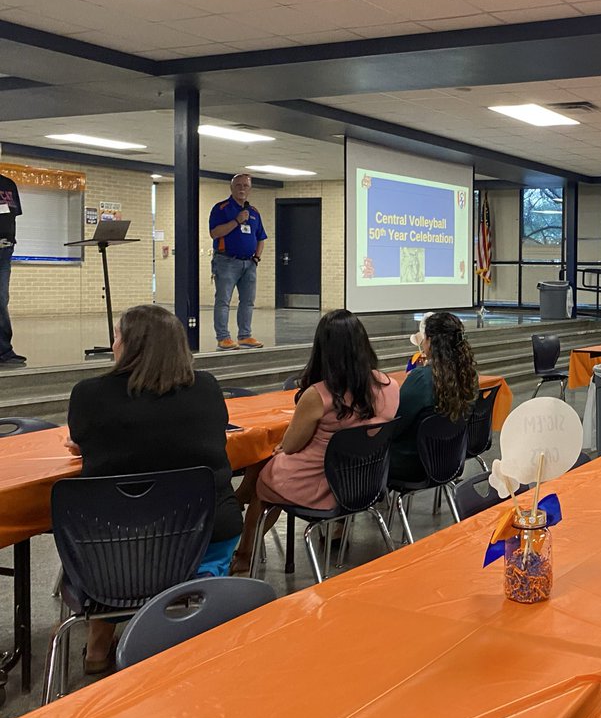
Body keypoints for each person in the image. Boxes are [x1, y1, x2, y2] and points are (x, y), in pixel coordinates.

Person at [64, 304, 242, 673]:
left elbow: (90, 441)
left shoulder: (89, 396)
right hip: (204, 538)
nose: (112, 344)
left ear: (128, 344)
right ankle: (192, 626)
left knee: (117, 543)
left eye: (116, 336)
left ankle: (98, 647)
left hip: (117, 552)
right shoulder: (207, 389)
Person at [232, 309, 400, 573]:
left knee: (265, 475)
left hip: (319, 485)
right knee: (267, 466)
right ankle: (240, 502)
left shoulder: (318, 396)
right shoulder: (390, 386)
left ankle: (244, 553)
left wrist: (281, 449)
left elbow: (291, 446)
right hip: (365, 482)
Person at [388, 312, 478, 486]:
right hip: (450, 458)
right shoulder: (469, 378)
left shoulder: (421, 379)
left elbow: (396, 424)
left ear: (430, 342)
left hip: (412, 465)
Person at [209, 173, 267, 351]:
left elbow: (261, 238)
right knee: (223, 300)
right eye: (238, 185)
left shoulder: (254, 212)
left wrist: (256, 258)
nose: (242, 189)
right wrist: (236, 221)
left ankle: (245, 335)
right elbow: (215, 233)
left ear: (250, 189)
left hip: (249, 264)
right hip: (226, 261)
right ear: (231, 187)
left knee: (248, 301)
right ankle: (223, 338)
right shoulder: (221, 208)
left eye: (245, 186)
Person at [0, 170, 23, 367]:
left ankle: (4, 351)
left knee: (1, 299)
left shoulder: (9, 184)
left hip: (4, 248)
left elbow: (12, 216)